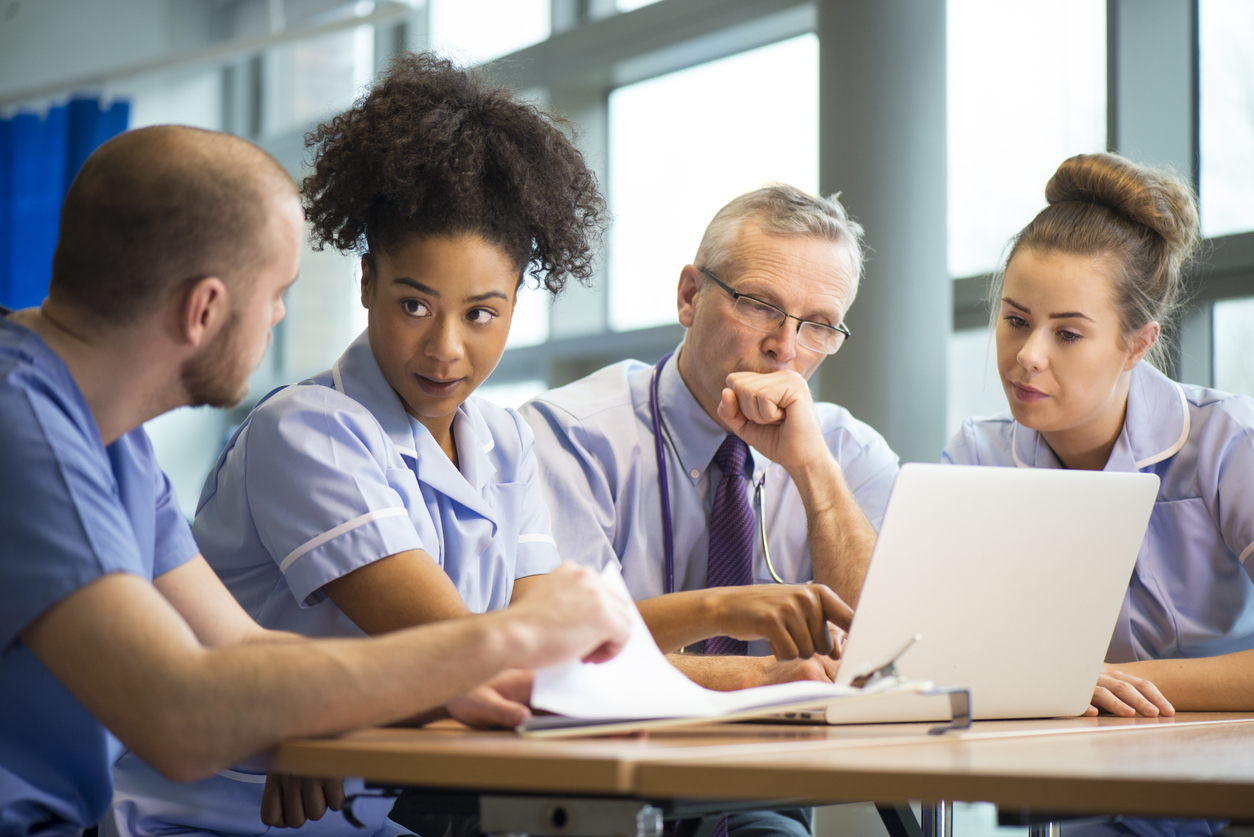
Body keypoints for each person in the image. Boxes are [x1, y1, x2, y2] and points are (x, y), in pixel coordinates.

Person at [108, 57, 848, 837]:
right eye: (414, 303)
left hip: (376, 813)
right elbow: (474, 657)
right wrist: (744, 640)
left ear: (517, 304)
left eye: (482, 314)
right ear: (366, 283)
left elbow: (554, 646)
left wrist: (735, 613)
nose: (445, 349)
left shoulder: (497, 438)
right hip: (228, 818)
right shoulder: (307, 431)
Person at [0, 123, 633, 837]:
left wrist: (308, 703)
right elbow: (179, 714)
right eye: (276, 293)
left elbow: (238, 647)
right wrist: (510, 637)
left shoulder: (110, 441)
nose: (278, 315)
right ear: (204, 308)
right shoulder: (24, 428)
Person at [520, 185, 897, 837]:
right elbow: (564, 659)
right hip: (597, 782)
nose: (785, 346)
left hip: (763, 789)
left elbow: (888, 654)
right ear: (690, 296)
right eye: (759, 305)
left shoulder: (845, 451)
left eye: (817, 325)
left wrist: (812, 472)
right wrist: (770, 681)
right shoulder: (570, 434)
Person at [942, 151, 1254, 738]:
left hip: (1217, 771)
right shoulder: (974, 459)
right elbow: (938, 653)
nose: (1029, 356)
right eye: (1015, 321)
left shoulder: (1227, 441)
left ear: (1137, 345)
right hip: (1054, 774)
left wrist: (1095, 678)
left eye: (1067, 333)